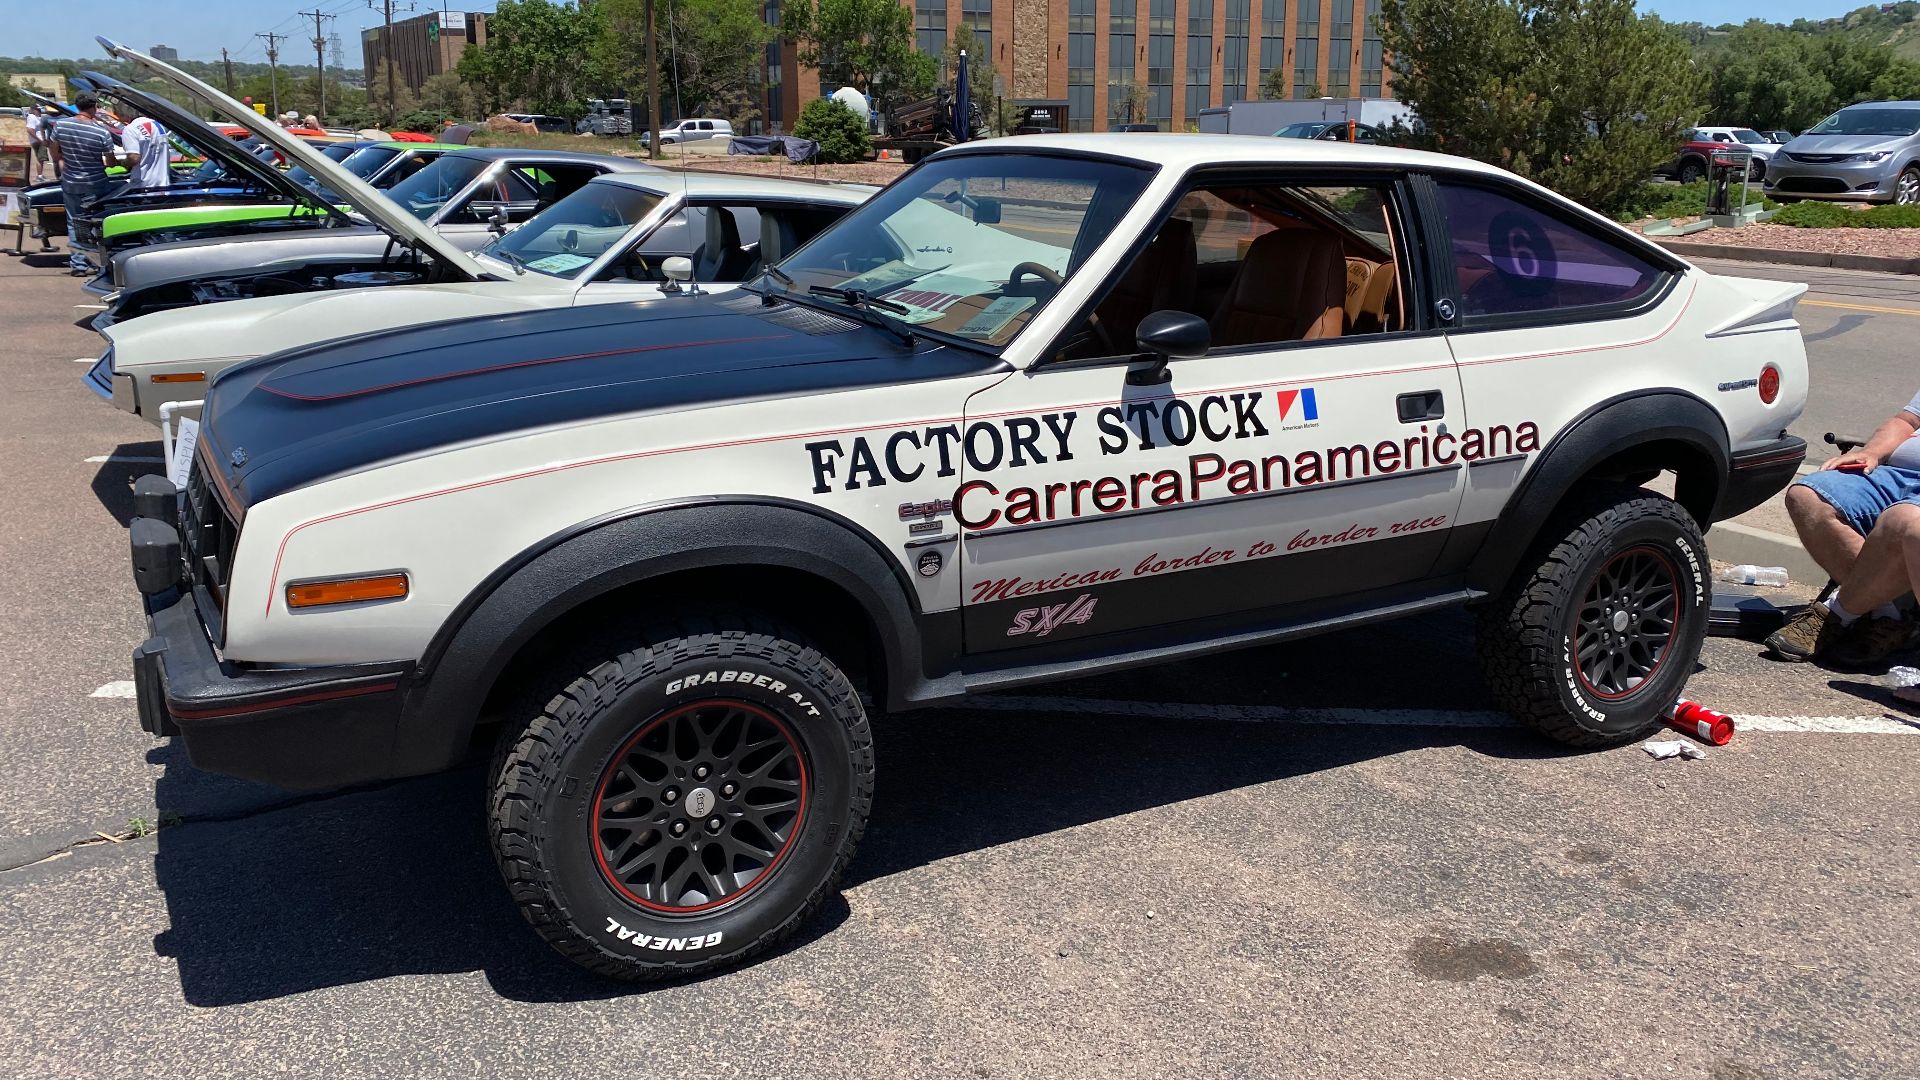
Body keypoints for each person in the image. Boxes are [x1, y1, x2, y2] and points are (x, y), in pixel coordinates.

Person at [1765, 392, 1920, 665]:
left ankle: (1836, 613)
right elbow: (1906, 421)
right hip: (1897, 473)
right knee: (1808, 498)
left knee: (1902, 522)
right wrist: (1871, 453)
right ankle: (1890, 616)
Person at [47, 92, 118, 276]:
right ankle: (96, 261)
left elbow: (54, 152)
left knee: (73, 222)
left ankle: (78, 264)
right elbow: (110, 162)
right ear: (93, 107)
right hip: (95, 182)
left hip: (70, 181)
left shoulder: (61, 125)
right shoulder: (101, 131)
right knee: (95, 223)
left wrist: (63, 161)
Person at [118, 111, 170, 190]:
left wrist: (123, 163)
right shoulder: (158, 125)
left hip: (144, 186)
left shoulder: (130, 129)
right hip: (163, 184)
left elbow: (134, 158)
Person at [25, 105, 54, 183]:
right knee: (40, 158)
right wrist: (40, 140)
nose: (40, 112)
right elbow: (30, 130)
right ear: (33, 109)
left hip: (39, 140)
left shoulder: (35, 117)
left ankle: (40, 175)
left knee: (41, 158)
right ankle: (39, 176)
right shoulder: (31, 117)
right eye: (38, 110)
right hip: (38, 141)